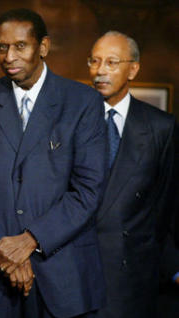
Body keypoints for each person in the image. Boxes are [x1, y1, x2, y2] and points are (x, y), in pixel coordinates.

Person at [0, 8, 107, 318]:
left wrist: (31, 240)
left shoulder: (82, 103)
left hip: (63, 279)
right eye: (2, 46)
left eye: (21, 46)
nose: (9, 56)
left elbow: (88, 190)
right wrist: (2, 250)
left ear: (43, 47)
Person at [88, 31, 176, 318]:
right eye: (95, 61)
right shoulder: (69, 120)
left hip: (134, 277)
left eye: (111, 62)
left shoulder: (160, 128)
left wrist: (171, 266)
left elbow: (167, 205)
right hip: (76, 272)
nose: (100, 70)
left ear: (133, 69)